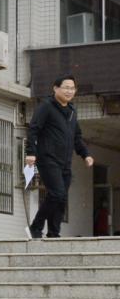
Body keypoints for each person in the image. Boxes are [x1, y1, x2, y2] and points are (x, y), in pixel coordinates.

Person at [27, 74, 93, 239]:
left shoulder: (72, 111)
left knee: (61, 198)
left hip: (65, 162)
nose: (69, 91)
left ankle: (53, 233)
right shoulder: (46, 106)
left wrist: (85, 154)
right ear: (56, 88)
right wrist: (30, 152)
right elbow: (33, 129)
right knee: (57, 194)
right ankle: (35, 227)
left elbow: (76, 137)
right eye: (66, 88)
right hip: (48, 158)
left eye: (72, 88)